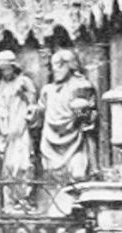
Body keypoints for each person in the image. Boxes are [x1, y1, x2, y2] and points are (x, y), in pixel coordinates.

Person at [36, 48, 98, 193]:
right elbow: (40, 112)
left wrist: (81, 113)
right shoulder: (48, 90)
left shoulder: (81, 86)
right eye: (53, 66)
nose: (55, 69)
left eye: (60, 65)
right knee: (52, 173)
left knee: (77, 173)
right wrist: (33, 112)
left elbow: (88, 117)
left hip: (75, 140)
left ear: (70, 65)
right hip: (51, 139)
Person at [0, 49, 36, 208]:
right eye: (2, 70)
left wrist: (26, 98)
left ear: (14, 67)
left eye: (7, 69)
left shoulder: (24, 81)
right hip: (7, 129)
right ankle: (10, 201)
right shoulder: (2, 85)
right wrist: (0, 113)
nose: (5, 73)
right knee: (9, 166)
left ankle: (23, 198)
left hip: (21, 127)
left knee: (22, 163)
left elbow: (33, 103)